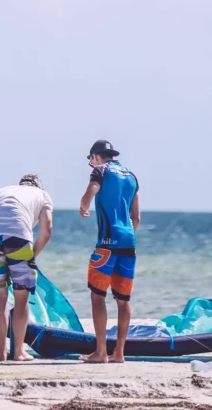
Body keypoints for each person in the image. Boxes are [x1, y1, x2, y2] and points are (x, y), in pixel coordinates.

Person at [0, 174, 53, 361]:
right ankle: (18, 351)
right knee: (21, 296)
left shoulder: (0, 192)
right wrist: (31, 256)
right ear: (38, 187)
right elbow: (47, 230)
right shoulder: (42, 195)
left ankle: (2, 352)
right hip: (18, 236)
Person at [79, 140, 140, 363]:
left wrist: (83, 206)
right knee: (123, 300)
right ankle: (120, 353)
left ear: (96, 156)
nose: (90, 163)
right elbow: (137, 217)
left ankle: (101, 352)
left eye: (90, 159)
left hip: (106, 243)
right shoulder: (131, 176)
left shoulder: (100, 171)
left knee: (98, 296)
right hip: (128, 243)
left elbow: (90, 195)